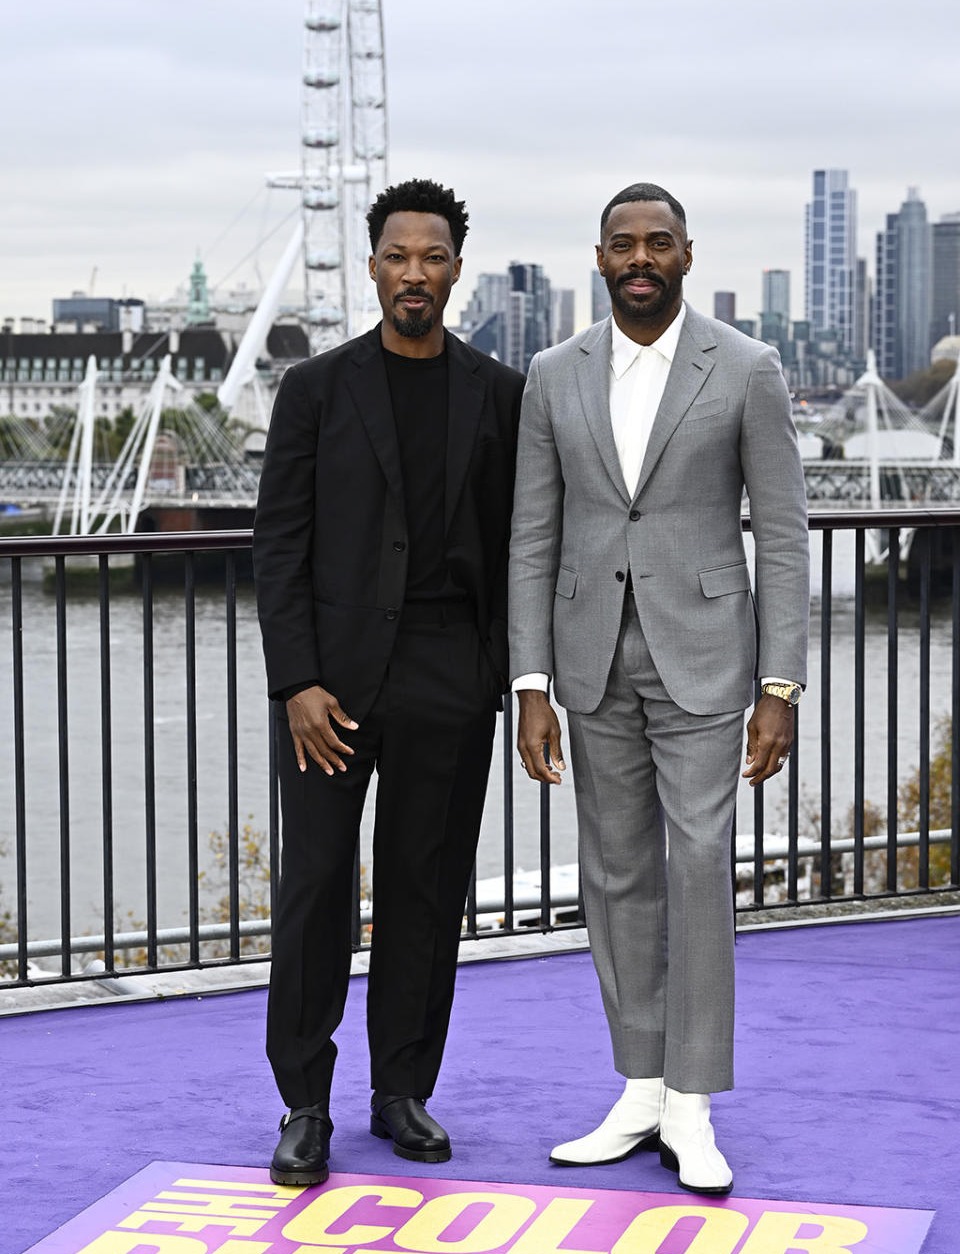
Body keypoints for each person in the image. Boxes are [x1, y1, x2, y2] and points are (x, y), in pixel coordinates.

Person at [508, 182, 809, 1195]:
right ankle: (638, 1084)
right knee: (617, 872)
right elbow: (532, 536)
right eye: (623, 244)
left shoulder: (749, 368)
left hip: (709, 656)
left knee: (698, 863)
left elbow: (781, 532)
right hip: (590, 659)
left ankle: (694, 1102)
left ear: (687, 254)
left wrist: (781, 684)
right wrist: (531, 680)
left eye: (659, 243)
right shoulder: (553, 373)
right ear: (599, 258)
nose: (641, 258)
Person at [254, 178, 525, 1185]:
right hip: (331, 687)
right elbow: (279, 544)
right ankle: (305, 1103)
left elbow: (515, 546)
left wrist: (499, 673)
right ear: (372, 266)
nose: (416, 272)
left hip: (451, 676)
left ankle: (402, 1089)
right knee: (317, 886)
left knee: (426, 887)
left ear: (457, 268)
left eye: (434, 257)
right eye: (398, 256)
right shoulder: (316, 390)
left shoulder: (499, 392)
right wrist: (297, 682)